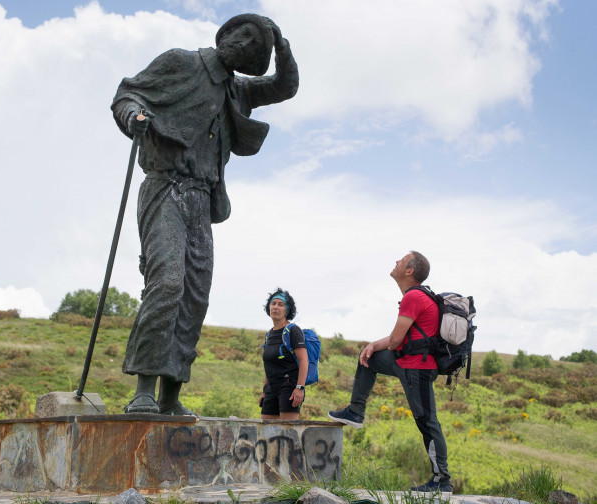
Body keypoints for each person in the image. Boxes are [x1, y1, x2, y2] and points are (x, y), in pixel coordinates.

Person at [111, 14, 299, 415]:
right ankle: (144, 389)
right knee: (167, 284)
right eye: (244, 36)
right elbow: (128, 94)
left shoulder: (238, 91)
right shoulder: (181, 62)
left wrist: (280, 44)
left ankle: (171, 396)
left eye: (256, 47)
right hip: (165, 186)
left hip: (201, 200)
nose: (247, 45)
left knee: (195, 297)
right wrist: (135, 118)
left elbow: (285, 86)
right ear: (226, 34)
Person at [328, 251, 452, 493]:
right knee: (368, 358)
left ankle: (442, 480)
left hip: (418, 369)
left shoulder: (414, 297)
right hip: (405, 362)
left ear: (409, 271)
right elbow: (398, 340)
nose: (396, 261)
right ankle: (355, 412)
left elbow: (395, 340)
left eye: (402, 260)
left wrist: (377, 344)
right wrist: (372, 346)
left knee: (427, 422)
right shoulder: (416, 296)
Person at [259, 288, 308, 420]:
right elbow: (269, 365)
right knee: (266, 434)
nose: (276, 307)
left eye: (281, 304)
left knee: (287, 433)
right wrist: (264, 391)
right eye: (273, 303)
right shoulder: (269, 334)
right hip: (271, 388)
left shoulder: (293, 330)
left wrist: (299, 388)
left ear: (287, 310)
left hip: (289, 387)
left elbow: (304, 360)